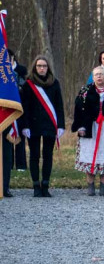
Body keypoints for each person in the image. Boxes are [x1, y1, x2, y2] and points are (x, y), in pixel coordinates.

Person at [72, 66, 104, 195]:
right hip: (90, 128)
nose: (99, 77)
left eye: (101, 74)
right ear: (93, 76)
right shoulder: (84, 91)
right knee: (90, 156)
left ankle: (103, 187)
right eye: (96, 74)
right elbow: (78, 111)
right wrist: (80, 127)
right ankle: (90, 186)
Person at [20, 55, 65, 197]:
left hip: (50, 124)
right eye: (39, 66)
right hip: (32, 125)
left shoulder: (54, 83)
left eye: (44, 66)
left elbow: (59, 106)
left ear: (48, 68)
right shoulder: (28, 84)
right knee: (34, 155)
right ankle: (36, 186)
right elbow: (24, 107)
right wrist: (24, 125)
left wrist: (61, 125)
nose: (42, 68)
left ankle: (45, 185)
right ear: (35, 67)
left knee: (47, 155)